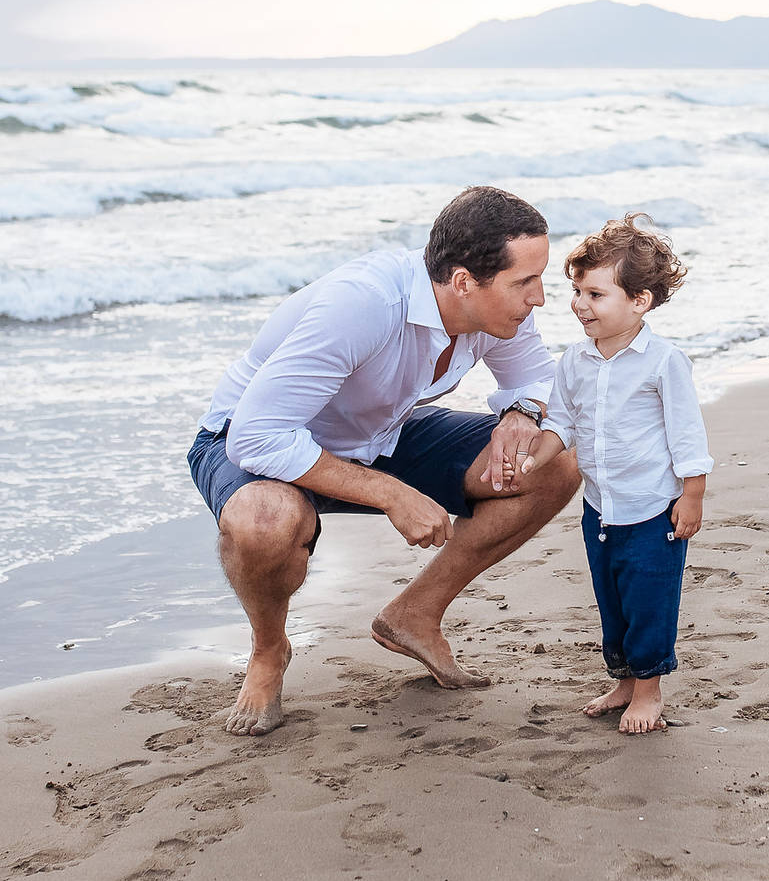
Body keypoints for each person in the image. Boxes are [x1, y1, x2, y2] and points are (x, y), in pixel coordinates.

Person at [188, 186, 582, 735]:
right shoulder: (365, 304)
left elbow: (538, 379)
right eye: (525, 282)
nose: (539, 298)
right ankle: (268, 651)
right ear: (464, 282)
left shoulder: (492, 314)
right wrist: (392, 493)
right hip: (257, 441)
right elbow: (258, 437)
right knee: (266, 522)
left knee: (550, 466)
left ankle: (414, 615)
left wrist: (520, 414)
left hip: (377, 437)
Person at [513, 214, 713, 734]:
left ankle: (649, 692)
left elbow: (687, 435)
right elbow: (563, 422)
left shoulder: (664, 362)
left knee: (650, 600)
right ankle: (624, 682)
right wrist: (536, 456)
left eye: (595, 294)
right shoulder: (574, 361)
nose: (579, 305)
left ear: (639, 300)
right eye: (576, 291)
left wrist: (691, 496)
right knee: (613, 598)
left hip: (653, 509)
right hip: (600, 508)